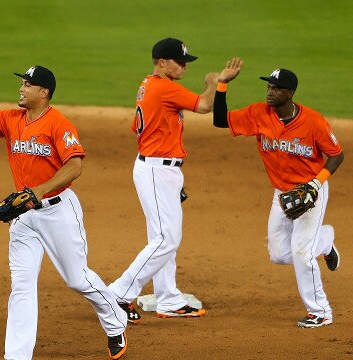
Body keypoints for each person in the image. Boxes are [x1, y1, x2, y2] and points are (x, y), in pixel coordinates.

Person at [0, 53, 128, 360]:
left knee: (77, 279)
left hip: (58, 211)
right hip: (24, 217)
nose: (22, 88)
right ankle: (17, 356)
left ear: (44, 93)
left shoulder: (58, 124)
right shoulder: (11, 119)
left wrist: (39, 190)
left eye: (28, 84)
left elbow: (75, 165)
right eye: (22, 83)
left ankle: (115, 320)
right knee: (22, 287)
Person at [213, 61, 344, 328]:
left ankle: (320, 311)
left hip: (311, 191)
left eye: (276, 88)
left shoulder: (313, 122)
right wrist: (222, 84)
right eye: (269, 86)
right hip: (282, 193)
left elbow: (336, 154)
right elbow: (219, 120)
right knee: (279, 254)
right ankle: (326, 241)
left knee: (301, 254)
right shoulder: (258, 113)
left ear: (290, 93)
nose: (269, 92)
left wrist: (317, 184)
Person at [109, 38, 226, 321]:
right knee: (166, 239)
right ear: (162, 62)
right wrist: (216, 82)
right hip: (156, 169)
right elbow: (204, 106)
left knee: (161, 237)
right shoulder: (165, 88)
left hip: (159, 167)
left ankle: (168, 298)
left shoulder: (148, 84)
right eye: (179, 61)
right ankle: (119, 293)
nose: (184, 66)